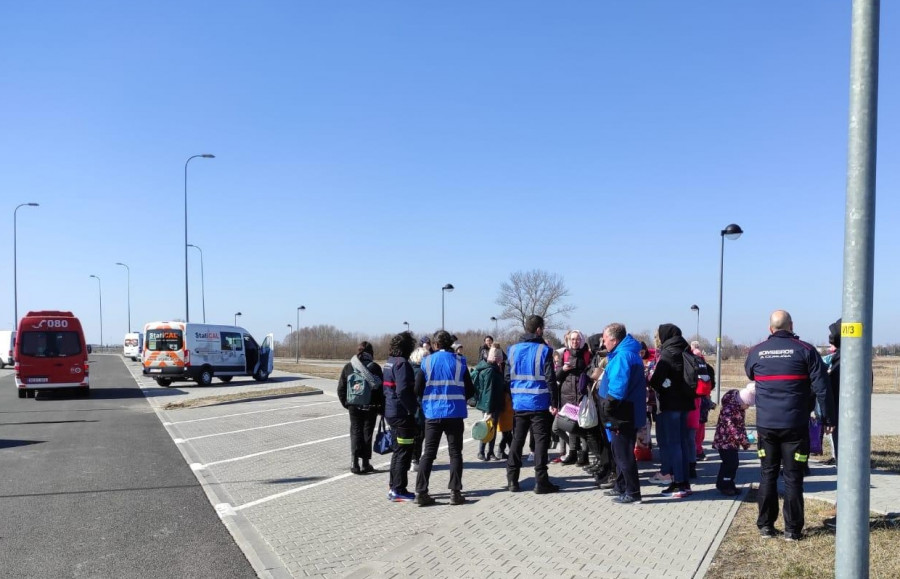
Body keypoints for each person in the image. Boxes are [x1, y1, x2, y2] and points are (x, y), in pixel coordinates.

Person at [745, 310, 833, 541]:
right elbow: (823, 388)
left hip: (766, 427)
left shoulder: (757, 351)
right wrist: (829, 419)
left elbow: (750, 373)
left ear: (769, 328)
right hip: (795, 426)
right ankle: (792, 531)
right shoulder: (806, 350)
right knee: (793, 477)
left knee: (767, 474)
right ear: (792, 326)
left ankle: (765, 526)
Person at [414, 330, 476, 506]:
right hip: (454, 413)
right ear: (450, 344)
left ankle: (421, 492)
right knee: (455, 453)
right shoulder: (460, 362)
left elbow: (417, 388)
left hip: (433, 413)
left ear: (435, 345)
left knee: (428, 454)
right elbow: (470, 390)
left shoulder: (426, 362)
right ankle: (455, 493)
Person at [505, 315, 560, 494]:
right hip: (539, 402)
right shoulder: (544, 350)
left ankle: (512, 480)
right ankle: (541, 482)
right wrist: (554, 402)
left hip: (520, 403)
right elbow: (550, 379)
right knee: (541, 442)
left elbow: (507, 377)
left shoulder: (512, 350)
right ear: (538, 330)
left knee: (517, 440)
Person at [598, 322, 646, 504]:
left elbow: (617, 388)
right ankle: (621, 486)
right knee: (618, 452)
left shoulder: (623, 356)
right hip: (624, 411)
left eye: (605, 339)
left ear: (613, 339)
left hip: (622, 412)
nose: (603, 343)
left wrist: (607, 407)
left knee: (624, 454)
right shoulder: (623, 353)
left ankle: (633, 493)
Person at [649, 324, 696, 499]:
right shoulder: (686, 350)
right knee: (683, 444)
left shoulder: (668, 353)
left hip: (671, 405)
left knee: (674, 444)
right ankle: (685, 483)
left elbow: (655, 380)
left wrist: (663, 384)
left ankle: (678, 484)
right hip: (686, 404)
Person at [336, 341, 385, 475]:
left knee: (355, 433)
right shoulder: (374, 367)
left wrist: (347, 403)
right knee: (367, 434)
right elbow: (381, 390)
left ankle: (354, 463)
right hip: (371, 406)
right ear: (371, 353)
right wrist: (381, 407)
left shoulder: (349, 367)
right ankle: (365, 463)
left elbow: (341, 388)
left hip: (354, 406)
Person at [382, 332, 419, 502]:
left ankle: (393, 487)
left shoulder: (389, 362)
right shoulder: (402, 364)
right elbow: (403, 390)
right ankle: (399, 489)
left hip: (392, 411)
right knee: (404, 451)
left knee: (398, 451)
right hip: (402, 414)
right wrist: (413, 409)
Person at [552, 330, 591, 465]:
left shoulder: (587, 354)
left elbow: (590, 374)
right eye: (573, 339)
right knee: (569, 426)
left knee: (583, 425)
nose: (575, 342)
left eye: (577, 339)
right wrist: (563, 369)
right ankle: (573, 453)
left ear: (581, 340)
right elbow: (556, 376)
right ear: (569, 340)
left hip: (581, 394)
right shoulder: (564, 354)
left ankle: (584, 455)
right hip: (566, 395)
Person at [713, 384, 754, 496]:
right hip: (724, 442)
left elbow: (741, 426)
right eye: (748, 404)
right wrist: (743, 440)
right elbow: (733, 429)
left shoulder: (739, 409)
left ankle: (729, 483)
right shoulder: (729, 410)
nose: (748, 407)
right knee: (730, 464)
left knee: (733, 463)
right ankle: (724, 485)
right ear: (743, 401)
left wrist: (744, 440)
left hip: (732, 443)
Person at [472, 345, 506, 460]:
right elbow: (489, 390)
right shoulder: (491, 371)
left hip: (489, 403)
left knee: (488, 427)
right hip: (491, 404)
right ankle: (486, 452)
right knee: (489, 428)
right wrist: (489, 410)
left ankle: (484, 452)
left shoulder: (487, 368)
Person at [408, 345, 431, 471]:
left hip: (411, 406)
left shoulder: (409, 368)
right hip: (420, 406)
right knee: (419, 434)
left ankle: (412, 459)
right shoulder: (422, 372)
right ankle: (415, 460)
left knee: (413, 435)